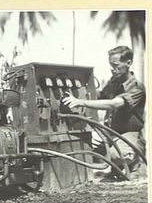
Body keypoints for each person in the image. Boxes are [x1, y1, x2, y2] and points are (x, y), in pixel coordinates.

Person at [62, 45, 146, 181]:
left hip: (129, 134)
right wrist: (76, 89)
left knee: (116, 155)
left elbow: (113, 103)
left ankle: (134, 162)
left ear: (128, 63)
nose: (113, 69)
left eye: (116, 65)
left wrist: (81, 102)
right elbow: (100, 96)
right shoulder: (114, 82)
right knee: (83, 144)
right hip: (110, 133)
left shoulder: (137, 87)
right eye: (111, 66)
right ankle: (116, 166)